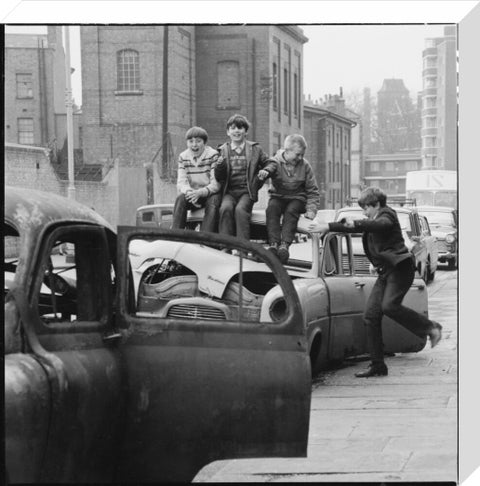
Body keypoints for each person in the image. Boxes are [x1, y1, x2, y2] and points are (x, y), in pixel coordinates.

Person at [308, 186, 443, 378]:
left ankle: (431, 328)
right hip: (386, 272)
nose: (364, 212)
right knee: (371, 317)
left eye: (366, 208)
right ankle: (378, 365)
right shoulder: (375, 219)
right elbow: (374, 237)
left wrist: (330, 226)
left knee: (389, 306)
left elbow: (378, 225)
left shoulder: (387, 215)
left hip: (400, 270)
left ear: (377, 204)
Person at [214, 114, 276, 240]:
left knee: (241, 211)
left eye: (240, 128)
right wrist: (219, 166)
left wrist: (265, 170)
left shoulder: (255, 149)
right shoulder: (222, 150)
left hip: (247, 191)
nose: (236, 131)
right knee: (225, 209)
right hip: (229, 192)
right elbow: (218, 177)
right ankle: (226, 245)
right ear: (228, 132)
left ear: (246, 131)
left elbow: (271, 163)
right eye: (233, 128)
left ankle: (243, 248)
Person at [265, 134, 320, 264]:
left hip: (297, 198)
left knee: (291, 210)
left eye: (302, 155)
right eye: (298, 154)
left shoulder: (305, 166)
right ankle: (273, 243)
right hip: (278, 196)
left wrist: (311, 210)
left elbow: (313, 190)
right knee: (272, 208)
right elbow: (265, 171)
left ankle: (285, 245)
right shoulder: (275, 162)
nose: (300, 157)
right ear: (287, 151)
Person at [172, 126, 221, 232]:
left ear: (205, 143)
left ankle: (205, 239)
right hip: (193, 194)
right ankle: (176, 235)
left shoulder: (213, 155)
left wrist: (200, 193)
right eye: (191, 141)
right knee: (180, 199)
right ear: (187, 143)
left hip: (209, 194)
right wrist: (189, 192)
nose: (194, 144)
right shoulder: (183, 157)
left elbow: (216, 184)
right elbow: (181, 182)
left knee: (213, 202)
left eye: (198, 141)